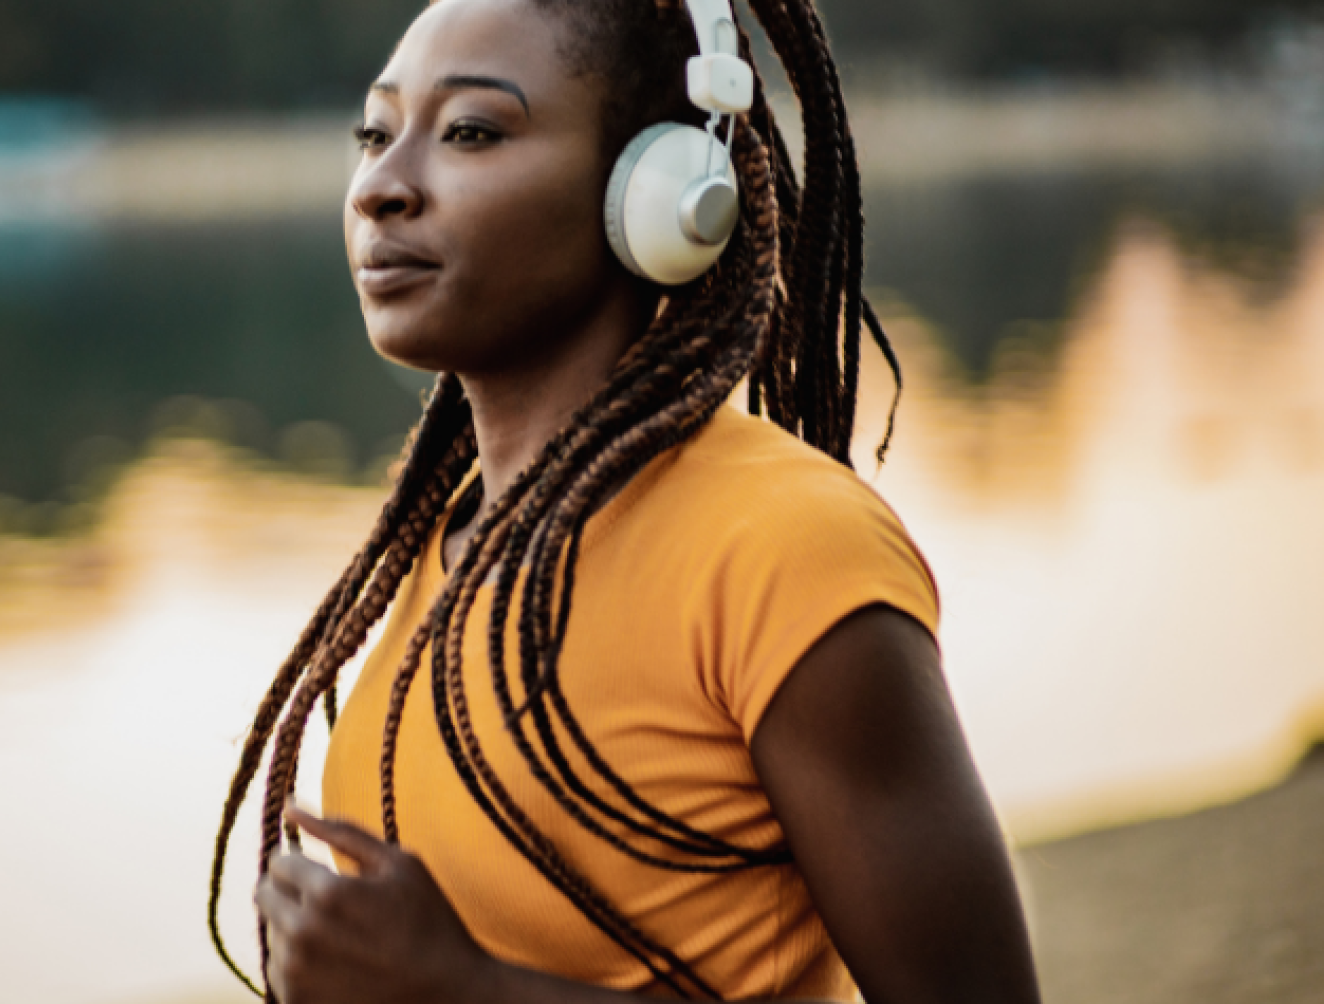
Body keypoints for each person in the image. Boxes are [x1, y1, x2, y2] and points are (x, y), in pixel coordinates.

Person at [208, 0, 1042, 1000]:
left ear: (657, 189)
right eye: (376, 134)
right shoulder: (449, 544)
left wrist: (466, 989)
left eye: (470, 131)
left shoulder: (785, 545)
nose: (383, 186)